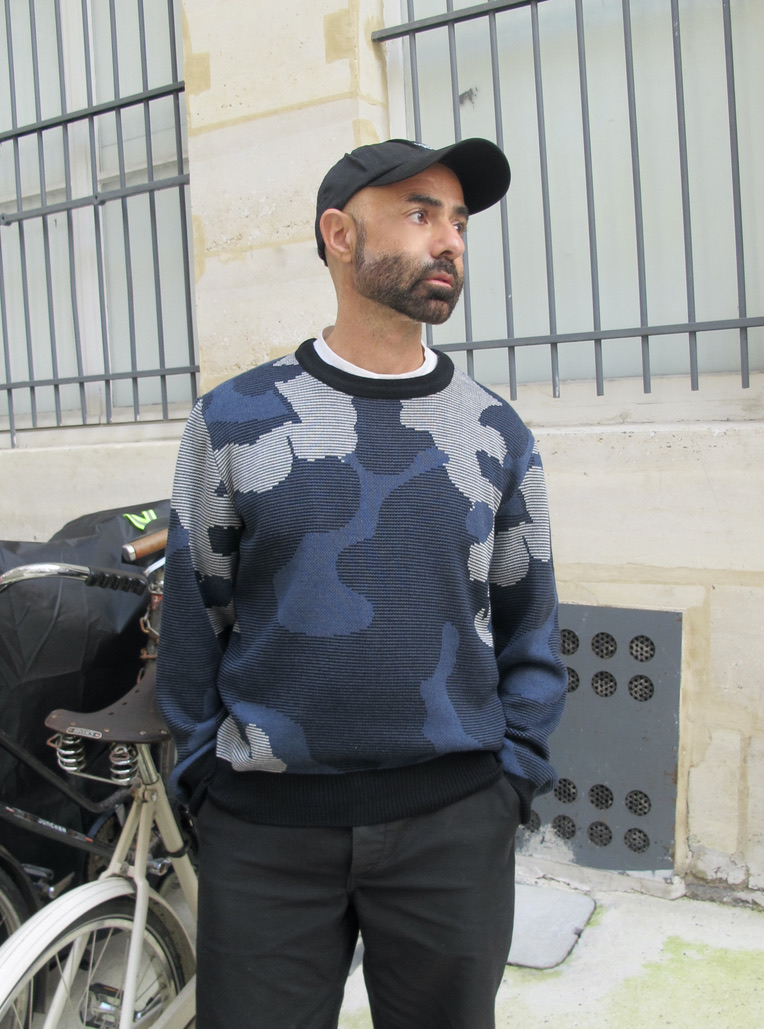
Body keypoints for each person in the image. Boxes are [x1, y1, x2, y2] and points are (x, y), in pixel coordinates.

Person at [156, 137, 567, 1029]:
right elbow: (192, 617)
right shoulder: (234, 420)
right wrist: (207, 784)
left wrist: (511, 783)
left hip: (452, 826)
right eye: (420, 214)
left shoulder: (497, 432)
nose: (450, 240)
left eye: (459, 222)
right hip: (265, 835)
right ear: (340, 236)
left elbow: (530, 624)